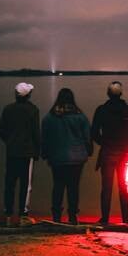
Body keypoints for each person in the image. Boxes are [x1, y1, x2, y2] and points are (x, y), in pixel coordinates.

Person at [89, 80, 128, 227]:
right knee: (124, 186)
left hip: (107, 152)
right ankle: (126, 218)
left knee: (106, 186)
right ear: (121, 94)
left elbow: (94, 132)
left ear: (108, 93)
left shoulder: (101, 110)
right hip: (124, 153)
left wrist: (103, 143)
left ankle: (105, 218)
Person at [40, 86, 93, 224]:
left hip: (57, 158)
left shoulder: (49, 118)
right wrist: (88, 151)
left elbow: (44, 137)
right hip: (77, 158)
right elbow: (87, 137)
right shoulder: (80, 117)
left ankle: (56, 216)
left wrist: (44, 153)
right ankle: (73, 216)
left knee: (58, 186)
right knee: (73, 187)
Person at [0, 81, 40, 226]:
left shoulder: (8, 109)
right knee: (25, 185)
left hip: (12, 152)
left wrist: (9, 141)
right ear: (28, 96)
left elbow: (0, 130)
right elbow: (36, 133)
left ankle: (8, 215)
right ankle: (23, 215)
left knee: (10, 183)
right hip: (27, 152)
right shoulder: (33, 110)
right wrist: (37, 151)